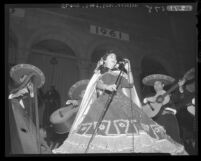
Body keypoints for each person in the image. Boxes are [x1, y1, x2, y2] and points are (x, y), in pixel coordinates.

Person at [52, 51, 187, 154]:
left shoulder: (120, 74)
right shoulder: (101, 72)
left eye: (115, 58)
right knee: (103, 133)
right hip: (105, 102)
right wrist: (107, 87)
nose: (114, 59)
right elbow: (98, 85)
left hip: (122, 103)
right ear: (104, 61)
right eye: (111, 57)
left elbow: (131, 84)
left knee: (129, 133)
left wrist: (128, 70)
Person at [142, 74, 182, 144]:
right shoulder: (150, 96)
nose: (156, 86)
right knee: (161, 141)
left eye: (158, 84)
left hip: (170, 118)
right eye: (154, 85)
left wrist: (180, 87)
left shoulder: (169, 94)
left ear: (163, 85)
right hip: (158, 119)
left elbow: (178, 98)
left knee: (175, 140)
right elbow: (145, 109)